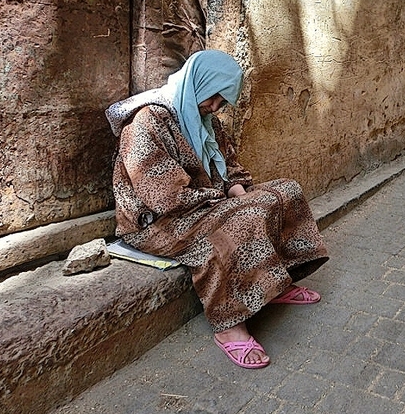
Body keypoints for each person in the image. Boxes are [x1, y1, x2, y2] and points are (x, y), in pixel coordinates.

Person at [105, 50, 329, 369]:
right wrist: (226, 199)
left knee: (285, 191)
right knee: (242, 218)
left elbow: (229, 167)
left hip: (202, 205)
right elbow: (163, 196)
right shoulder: (147, 121)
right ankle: (230, 324)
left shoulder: (206, 122)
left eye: (222, 102)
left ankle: (277, 281)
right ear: (199, 82)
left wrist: (236, 188)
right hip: (158, 223)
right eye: (213, 97)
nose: (214, 107)